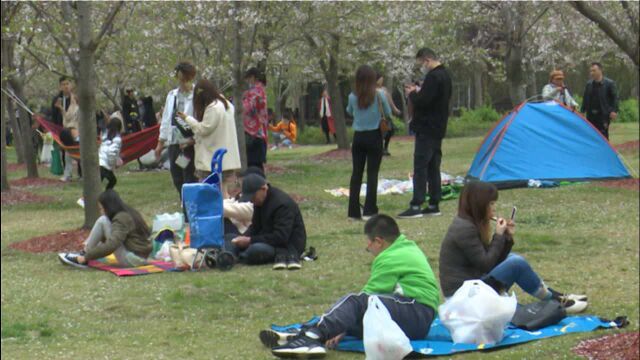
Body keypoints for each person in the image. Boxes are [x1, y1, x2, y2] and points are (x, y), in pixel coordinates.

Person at [260, 215, 440, 359]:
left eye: (369, 243)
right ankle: (302, 333)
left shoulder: (390, 257)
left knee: (355, 302)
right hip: (417, 316)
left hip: (417, 311)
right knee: (347, 315)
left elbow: (369, 298)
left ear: (379, 241)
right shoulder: (405, 247)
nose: (368, 247)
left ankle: (310, 337)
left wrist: (343, 328)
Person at [439, 181, 588, 313]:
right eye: (491, 204)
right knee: (516, 262)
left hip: (472, 287)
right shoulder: (464, 228)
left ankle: (556, 297)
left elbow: (492, 261)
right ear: (478, 205)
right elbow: (486, 264)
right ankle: (556, 301)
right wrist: (498, 236)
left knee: (512, 260)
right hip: (462, 298)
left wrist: (506, 237)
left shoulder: (469, 223)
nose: (494, 208)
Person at [398, 48, 452, 219]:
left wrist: (412, 93)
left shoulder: (433, 77)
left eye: (422, 63)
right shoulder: (446, 75)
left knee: (421, 166)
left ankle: (416, 204)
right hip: (438, 127)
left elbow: (423, 102)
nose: (422, 67)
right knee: (433, 166)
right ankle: (434, 203)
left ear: (427, 60)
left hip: (426, 128)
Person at [226, 174, 306, 270]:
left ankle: (234, 256)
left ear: (264, 189)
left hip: (285, 246)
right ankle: (229, 256)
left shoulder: (282, 204)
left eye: (253, 196)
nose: (251, 201)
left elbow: (280, 237)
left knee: (256, 250)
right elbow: (255, 227)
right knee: (229, 237)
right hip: (266, 239)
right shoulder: (259, 201)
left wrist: (250, 241)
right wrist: (244, 237)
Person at [58, 190, 152, 269]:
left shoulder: (121, 218)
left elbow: (112, 245)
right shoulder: (129, 212)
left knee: (103, 220)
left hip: (134, 259)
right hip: (141, 256)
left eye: (102, 208)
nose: (102, 211)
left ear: (109, 207)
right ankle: (85, 252)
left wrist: (87, 257)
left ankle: (83, 256)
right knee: (104, 221)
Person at [346, 65, 392, 221]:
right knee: (372, 174)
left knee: (356, 174)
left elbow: (349, 111)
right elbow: (388, 112)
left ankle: (353, 212)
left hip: (358, 137)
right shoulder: (378, 95)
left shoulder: (353, 96)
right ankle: (370, 210)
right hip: (374, 137)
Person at [180, 78, 241, 196]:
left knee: (210, 192)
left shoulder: (213, 108)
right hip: (226, 158)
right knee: (223, 192)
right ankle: (227, 213)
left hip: (212, 160)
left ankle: (221, 213)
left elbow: (203, 129)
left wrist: (187, 119)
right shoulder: (226, 104)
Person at [155, 61, 198, 198]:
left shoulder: (197, 95)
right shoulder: (172, 95)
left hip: (188, 144)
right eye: (180, 80)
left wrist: (193, 139)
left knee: (188, 176)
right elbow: (166, 120)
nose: (182, 83)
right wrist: (160, 144)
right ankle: (184, 202)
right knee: (177, 176)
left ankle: (189, 209)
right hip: (174, 143)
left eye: (185, 80)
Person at [580, 62, 619, 139]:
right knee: (591, 135)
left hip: (603, 115)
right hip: (590, 115)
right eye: (591, 71)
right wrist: (582, 111)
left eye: (594, 70)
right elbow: (585, 98)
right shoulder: (589, 84)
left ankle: (605, 151)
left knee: (603, 135)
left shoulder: (609, 83)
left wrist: (614, 111)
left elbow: (615, 98)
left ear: (600, 70)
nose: (592, 73)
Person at [242, 67, 269, 171]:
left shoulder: (255, 92)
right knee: (256, 165)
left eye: (248, 79)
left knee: (253, 165)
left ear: (252, 77)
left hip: (254, 133)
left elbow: (246, 109)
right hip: (260, 133)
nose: (247, 82)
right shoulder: (260, 90)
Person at [376, 72, 402, 156]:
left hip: (387, 114)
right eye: (381, 78)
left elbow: (390, 101)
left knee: (390, 130)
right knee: (381, 132)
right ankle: (379, 149)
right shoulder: (373, 90)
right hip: (379, 115)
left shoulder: (384, 89)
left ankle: (385, 148)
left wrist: (395, 109)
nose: (382, 80)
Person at [98, 115, 123, 190]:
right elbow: (111, 153)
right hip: (104, 165)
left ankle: (106, 195)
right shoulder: (117, 139)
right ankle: (107, 196)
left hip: (99, 162)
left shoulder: (105, 135)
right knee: (112, 181)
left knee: (111, 180)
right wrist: (113, 165)